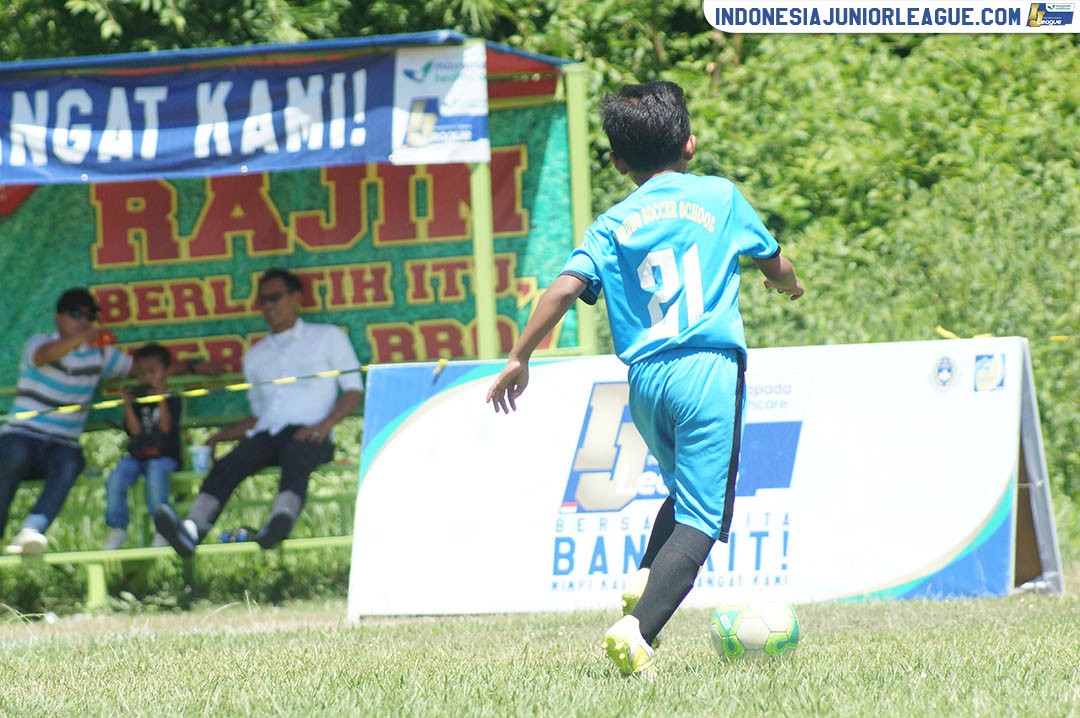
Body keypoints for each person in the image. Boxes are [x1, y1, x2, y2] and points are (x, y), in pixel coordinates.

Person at [485, 81, 805, 677]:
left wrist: (519, 356)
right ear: (689, 143)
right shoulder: (720, 196)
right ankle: (639, 632)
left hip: (646, 381)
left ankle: (643, 577)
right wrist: (787, 284)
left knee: (685, 496)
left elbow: (563, 289)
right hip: (707, 369)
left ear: (617, 161)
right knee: (707, 518)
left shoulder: (613, 223)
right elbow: (774, 259)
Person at [154, 267, 363, 557]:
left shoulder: (327, 337)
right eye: (262, 300)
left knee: (296, 455)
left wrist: (325, 425)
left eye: (275, 297)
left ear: (296, 298)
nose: (268, 306)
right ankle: (190, 531)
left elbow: (354, 390)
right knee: (227, 465)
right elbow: (259, 414)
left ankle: (278, 524)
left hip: (311, 433)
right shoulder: (255, 355)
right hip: (268, 434)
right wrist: (220, 437)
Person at [0, 288, 223, 556]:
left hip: (62, 444)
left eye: (89, 316)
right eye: (75, 313)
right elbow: (45, 356)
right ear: (58, 317)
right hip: (22, 435)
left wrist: (192, 367)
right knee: (13, 456)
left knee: (71, 462)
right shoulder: (38, 343)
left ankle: (32, 532)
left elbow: (145, 372)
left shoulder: (101, 356)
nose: (84, 320)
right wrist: (82, 338)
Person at [102, 343, 182, 550]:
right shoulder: (137, 400)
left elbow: (165, 428)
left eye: (152, 372)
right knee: (117, 476)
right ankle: (117, 528)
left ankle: (162, 528)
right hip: (137, 456)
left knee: (155, 473)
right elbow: (135, 432)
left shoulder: (172, 398)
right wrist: (127, 404)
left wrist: (161, 399)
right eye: (141, 373)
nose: (146, 378)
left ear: (165, 372)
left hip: (164, 456)